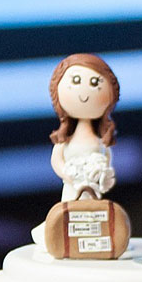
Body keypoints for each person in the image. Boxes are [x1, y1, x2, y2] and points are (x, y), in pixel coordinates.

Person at [48, 56, 120, 202]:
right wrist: (69, 175)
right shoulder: (64, 141)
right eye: (76, 81)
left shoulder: (101, 142)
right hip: (71, 190)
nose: (84, 92)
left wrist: (99, 174)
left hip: (93, 192)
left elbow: (107, 159)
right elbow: (56, 160)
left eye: (94, 83)